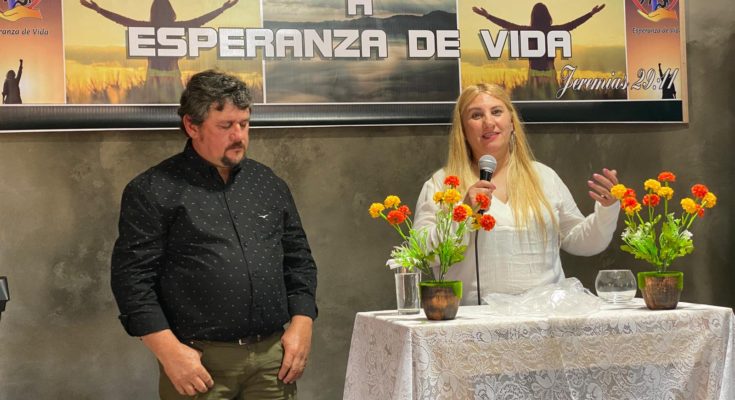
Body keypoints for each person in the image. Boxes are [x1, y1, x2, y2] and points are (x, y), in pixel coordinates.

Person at [111, 70, 317, 399]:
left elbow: (299, 260)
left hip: (272, 361)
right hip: (197, 362)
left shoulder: (268, 184)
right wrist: (168, 352)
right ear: (192, 126)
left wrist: (303, 322)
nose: (239, 135)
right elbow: (131, 281)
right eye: (226, 126)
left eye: (244, 124)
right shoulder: (153, 189)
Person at [412, 83, 620, 305]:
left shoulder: (544, 177)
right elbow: (423, 254)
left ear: (511, 122)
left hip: (547, 319)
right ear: (463, 129)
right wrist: (461, 213)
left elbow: (582, 242)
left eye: (497, 112)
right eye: (476, 115)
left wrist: (607, 210)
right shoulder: (442, 185)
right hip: (477, 323)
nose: (489, 122)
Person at [80, 0, 239, 103]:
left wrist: (98, 9)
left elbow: (121, 20)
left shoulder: (148, 27)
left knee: (153, 106)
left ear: (153, 12)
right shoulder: (176, 27)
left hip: (154, 74)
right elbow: (200, 20)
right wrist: (222, 8)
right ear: (171, 12)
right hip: (172, 73)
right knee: (176, 107)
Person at [472, 3, 605, 98]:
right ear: (548, 16)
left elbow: (508, 25)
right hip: (550, 72)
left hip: (534, 73)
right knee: (552, 100)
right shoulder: (553, 30)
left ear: (533, 16)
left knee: (535, 99)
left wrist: (488, 16)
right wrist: (591, 14)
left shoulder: (528, 31)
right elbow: (572, 25)